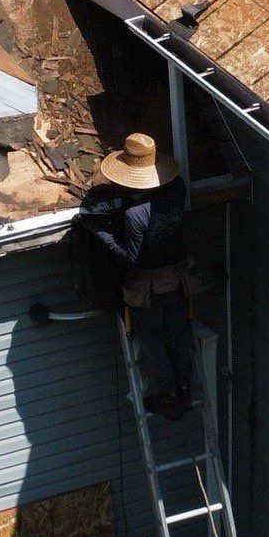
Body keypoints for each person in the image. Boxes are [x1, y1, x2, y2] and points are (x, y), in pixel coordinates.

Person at [80, 132, 198, 419]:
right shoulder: (176, 189)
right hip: (177, 277)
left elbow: (130, 257)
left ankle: (168, 394)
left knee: (154, 338)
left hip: (148, 286)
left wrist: (104, 234)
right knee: (179, 332)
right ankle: (184, 386)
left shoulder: (135, 214)